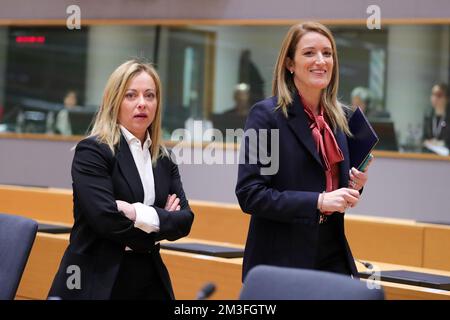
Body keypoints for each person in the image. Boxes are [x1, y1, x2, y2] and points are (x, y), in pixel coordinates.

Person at [235, 22, 372, 281]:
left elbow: (334, 187)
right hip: (281, 261)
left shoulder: (341, 119)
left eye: (327, 53)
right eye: (309, 53)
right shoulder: (267, 116)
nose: (320, 61)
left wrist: (355, 184)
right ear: (290, 63)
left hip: (332, 256)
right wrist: (318, 202)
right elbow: (251, 194)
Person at [48, 60, 194, 300]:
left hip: (148, 274)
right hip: (96, 276)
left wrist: (136, 213)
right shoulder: (93, 151)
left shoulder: (163, 158)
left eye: (150, 95)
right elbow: (105, 220)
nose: (142, 103)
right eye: (130, 95)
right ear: (114, 101)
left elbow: (185, 220)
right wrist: (160, 221)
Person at [423, 83, 450, 149]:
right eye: (433, 94)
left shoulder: (448, 117)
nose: (434, 98)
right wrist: (427, 142)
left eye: (439, 95)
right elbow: (424, 138)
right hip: (430, 154)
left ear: (447, 98)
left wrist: (443, 143)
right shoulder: (428, 115)